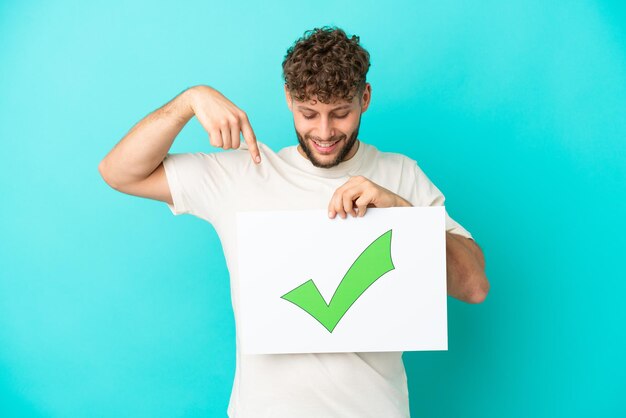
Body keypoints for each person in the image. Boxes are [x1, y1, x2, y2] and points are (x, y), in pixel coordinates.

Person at [99, 26, 489, 418]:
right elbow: (119, 172)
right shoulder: (243, 174)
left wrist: (403, 215)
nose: (323, 132)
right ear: (289, 99)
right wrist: (188, 101)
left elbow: (473, 286)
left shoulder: (401, 174)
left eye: (340, 113)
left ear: (365, 99)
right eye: (308, 114)